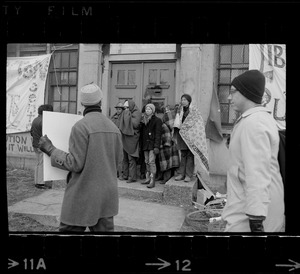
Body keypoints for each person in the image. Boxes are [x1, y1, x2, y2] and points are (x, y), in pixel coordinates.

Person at [38, 83, 123, 232]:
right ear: (101, 102)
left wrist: (50, 149)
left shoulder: (81, 126)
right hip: (107, 196)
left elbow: (74, 164)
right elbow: (119, 162)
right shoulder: (114, 128)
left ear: (82, 103)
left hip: (83, 194)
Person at [221, 70, 285, 232]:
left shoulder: (254, 124)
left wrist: (256, 220)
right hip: (250, 210)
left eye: (233, 92)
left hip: (250, 218)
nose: (229, 97)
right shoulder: (254, 119)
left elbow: (257, 175)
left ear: (246, 93)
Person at [30, 104, 53, 189]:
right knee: (42, 164)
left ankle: (37, 181)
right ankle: (40, 183)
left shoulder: (35, 120)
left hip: (35, 144)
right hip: (41, 145)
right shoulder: (44, 121)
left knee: (38, 163)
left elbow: (31, 132)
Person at [118, 100, 142, 183]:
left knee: (131, 158)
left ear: (131, 106)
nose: (126, 109)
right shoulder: (125, 113)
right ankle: (125, 175)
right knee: (124, 158)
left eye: (128, 107)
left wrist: (127, 115)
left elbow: (135, 124)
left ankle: (132, 177)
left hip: (132, 138)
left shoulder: (137, 113)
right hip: (124, 138)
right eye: (125, 108)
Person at [140, 103, 162, 188]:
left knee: (151, 162)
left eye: (149, 109)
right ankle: (147, 178)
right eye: (146, 109)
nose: (147, 111)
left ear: (152, 111)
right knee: (146, 161)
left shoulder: (157, 120)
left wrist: (156, 146)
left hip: (152, 145)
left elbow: (158, 134)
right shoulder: (144, 120)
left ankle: (152, 181)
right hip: (145, 145)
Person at [173, 94, 195, 182]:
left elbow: (195, 122)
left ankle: (188, 175)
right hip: (181, 135)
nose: (183, 101)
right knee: (183, 154)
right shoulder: (179, 110)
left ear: (189, 101)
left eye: (185, 100)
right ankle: (181, 174)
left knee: (190, 154)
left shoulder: (193, 110)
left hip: (190, 135)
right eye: (182, 100)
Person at [110, 102, 125, 178]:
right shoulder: (113, 117)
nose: (118, 111)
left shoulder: (124, 117)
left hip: (122, 139)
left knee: (121, 156)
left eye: (120, 109)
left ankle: (121, 173)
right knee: (114, 155)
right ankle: (115, 172)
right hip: (114, 138)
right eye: (117, 109)